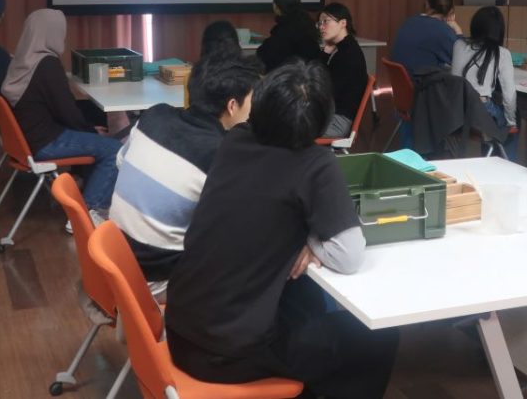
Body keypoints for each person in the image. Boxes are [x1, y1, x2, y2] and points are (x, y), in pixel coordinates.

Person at [165, 60, 399, 398]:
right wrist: (312, 241)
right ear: (322, 119)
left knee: (304, 296)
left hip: (182, 329)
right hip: (229, 354)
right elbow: (349, 256)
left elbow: (266, 210)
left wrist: (302, 237)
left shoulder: (235, 139)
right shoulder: (316, 164)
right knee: (379, 337)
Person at [109, 54, 261, 293]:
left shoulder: (154, 115)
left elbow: (120, 162)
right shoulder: (220, 154)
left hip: (115, 257)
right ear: (232, 106)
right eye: (253, 100)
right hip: (155, 278)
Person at [1, 9, 121, 215]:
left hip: (25, 140)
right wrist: (92, 131)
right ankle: (89, 213)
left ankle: (81, 183)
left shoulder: (22, 60)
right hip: (45, 142)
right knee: (113, 149)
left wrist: (88, 130)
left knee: (91, 127)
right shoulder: (47, 64)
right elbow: (67, 112)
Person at [451, 6, 517, 155]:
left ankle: (489, 156)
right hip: (480, 112)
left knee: (492, 117)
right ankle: (506, 164)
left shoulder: (458, 45)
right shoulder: (502, 53)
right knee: (510, 124)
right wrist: (511, 122)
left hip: (456, 111)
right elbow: (509, 95)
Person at [317, 3, 368, 139]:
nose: (321, 27)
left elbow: (325, 90)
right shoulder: (343, 48)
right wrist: (326, 52)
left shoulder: (348, 54)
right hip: (331, 115)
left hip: (337, 121)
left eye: (326, 21)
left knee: (289, 128)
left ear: (343, 23)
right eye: (319, 23)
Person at [389, 0, 463, 77]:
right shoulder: (444, 31)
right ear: (451, 11)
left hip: (400, 82)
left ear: (427, 4)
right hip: (421, 83)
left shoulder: (409, 21)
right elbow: (464, 59)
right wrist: (458, 31)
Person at [256, 0, 321, 72]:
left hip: (288, 78)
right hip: (311, 77)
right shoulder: (308, 25)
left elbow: (264, 57)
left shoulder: (282, 32)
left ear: (275, 6)